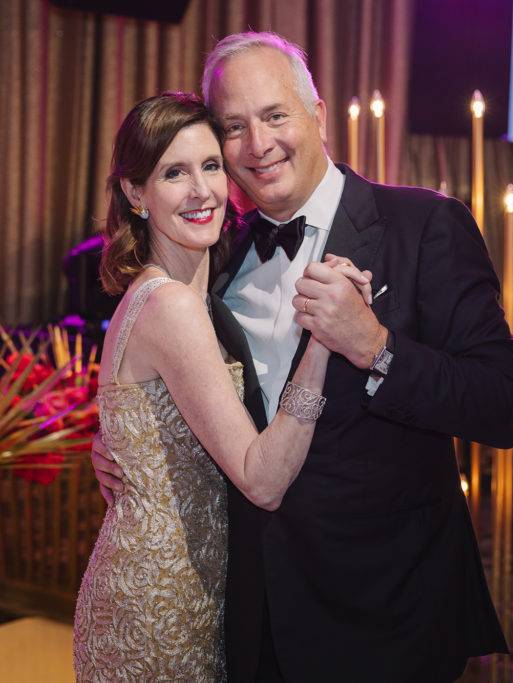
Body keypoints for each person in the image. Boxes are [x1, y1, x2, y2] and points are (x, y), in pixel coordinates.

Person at [92, 32, 513, 682]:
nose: (258, 145)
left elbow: (503, 406)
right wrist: (126, 446)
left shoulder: (424, 225)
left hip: (387, 615)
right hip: (250, 618)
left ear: (317, 115)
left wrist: (377, 348)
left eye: (275, 116)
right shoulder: (215, 253)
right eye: (234, 127)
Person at [72, 92, 370, 682]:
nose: (200, 189)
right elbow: (260, 479)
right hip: (160, 604)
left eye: (210, 166)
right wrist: (324, 339)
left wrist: (122, 448)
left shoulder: (198, 289)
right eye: (173, 173)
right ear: (136, 194)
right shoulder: (172, 305)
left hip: (200, 589)